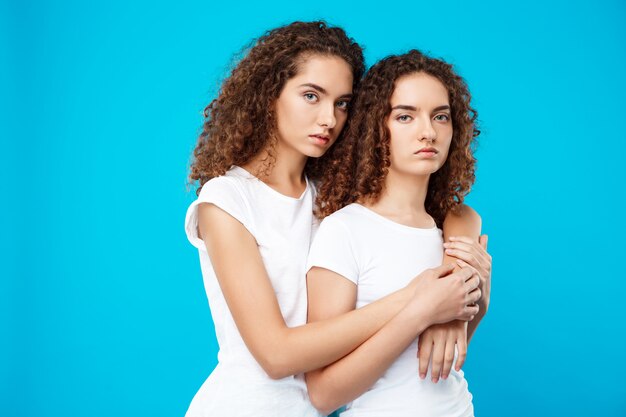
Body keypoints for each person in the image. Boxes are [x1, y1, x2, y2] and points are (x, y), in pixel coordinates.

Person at [185, 22, 488, 417]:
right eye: (311, 96)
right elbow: (276, 355)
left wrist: (455, 280)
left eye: (342, 103)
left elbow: (452, 212)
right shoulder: (226, 199)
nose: (329, 118)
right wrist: (422, 301)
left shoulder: (329, 195)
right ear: (268, 95)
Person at [305, 49, 492, 417]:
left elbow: (441, 360)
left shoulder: (451, 232)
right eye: (405, 116)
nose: (428, 132)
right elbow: (323, 394)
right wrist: (420, 312)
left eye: (441, 116)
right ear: (377, 128)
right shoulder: (344, 231)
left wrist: (474, 306)